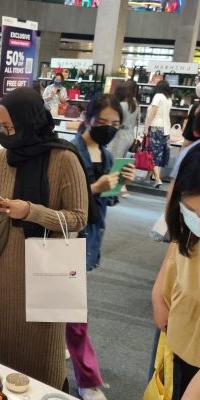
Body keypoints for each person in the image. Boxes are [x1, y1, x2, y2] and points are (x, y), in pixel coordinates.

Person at [0, 87, 89, 390]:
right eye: (0, 127)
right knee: (0, 355)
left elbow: (79, 217)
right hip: (3, 271)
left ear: (30, 122)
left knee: (41, 360)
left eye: (10, 127)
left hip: (46, 271)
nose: (5, 134)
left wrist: (31, 211)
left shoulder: (63, 159)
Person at [70, 94, 136, 400]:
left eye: (115, 124)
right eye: (102, 122)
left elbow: (107, 202)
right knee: (76, 314)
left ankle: (58, 345)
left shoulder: (107, 155)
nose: (108, 128)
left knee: (66, 308)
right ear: (88, 118)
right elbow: (64, 199)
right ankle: (88, 379)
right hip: (68, 239)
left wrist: (120, 183)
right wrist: (96, 187)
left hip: (91, 240)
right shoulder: (71, 151)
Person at [152, 145, 200, 399]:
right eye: (192, 211)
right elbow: (176, 248)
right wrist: (159, 294)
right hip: (178, 336)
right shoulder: (187, 225)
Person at [108, 80, 139, 197]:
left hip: (120, 135)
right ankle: (121, 187)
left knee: (114, 161)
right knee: (123, 162)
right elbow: (137, 121)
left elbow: (116, 122)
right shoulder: (135, 104)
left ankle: (119, 187)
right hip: (130, 134)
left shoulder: (121, 105)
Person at [143, 79, 172, 188]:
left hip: (156, 127)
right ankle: (147, 177)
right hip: (166, 129)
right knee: (158, 154)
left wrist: (146, 126)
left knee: (152, 153)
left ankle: (157, 179)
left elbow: (153, 112)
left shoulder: (158, 96)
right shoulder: (168, 99)